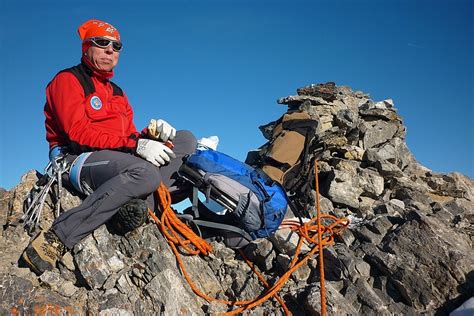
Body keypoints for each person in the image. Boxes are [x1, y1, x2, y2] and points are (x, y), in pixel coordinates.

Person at [22, 19, 197, 275]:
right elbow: (77, 133)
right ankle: (57, 238)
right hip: (75, 158)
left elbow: (128, 135)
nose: (109, 50)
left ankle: (130, 207)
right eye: (101, 43)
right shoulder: (68, 80)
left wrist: (151, 135)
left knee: (186, 139)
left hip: (116, 158)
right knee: (145, 174)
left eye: (116, 46)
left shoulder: (117, 92)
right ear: (86, 47)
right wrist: (136, 144)